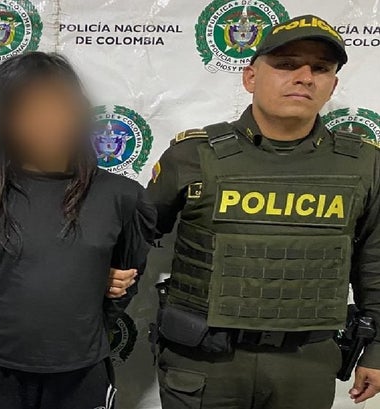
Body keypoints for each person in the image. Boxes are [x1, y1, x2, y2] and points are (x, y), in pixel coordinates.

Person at [147, 14, 380, 409]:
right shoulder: (192, 156)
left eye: (320, 68)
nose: (304, 77)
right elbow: (133, 239)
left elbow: (375, 263)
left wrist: (376, 350)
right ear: (250, 77)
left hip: (305, 365)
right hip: (204, 361)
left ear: (333, 85)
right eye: (287, 64)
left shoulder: (364, 164)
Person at [0, 52, 155, 409]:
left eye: (58, 105)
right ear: (4, 121)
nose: (47, 121)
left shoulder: (122, 198)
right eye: (28, 109)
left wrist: (90, 287)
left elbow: (127, 278)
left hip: (83, 372)